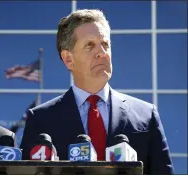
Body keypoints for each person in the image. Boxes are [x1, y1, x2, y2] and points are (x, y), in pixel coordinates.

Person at [20, 9, 174, 174]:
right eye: (90, 45)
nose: (102, 53)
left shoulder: (146, 115)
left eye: (105, 44)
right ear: (68, 59)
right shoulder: (41, 120)